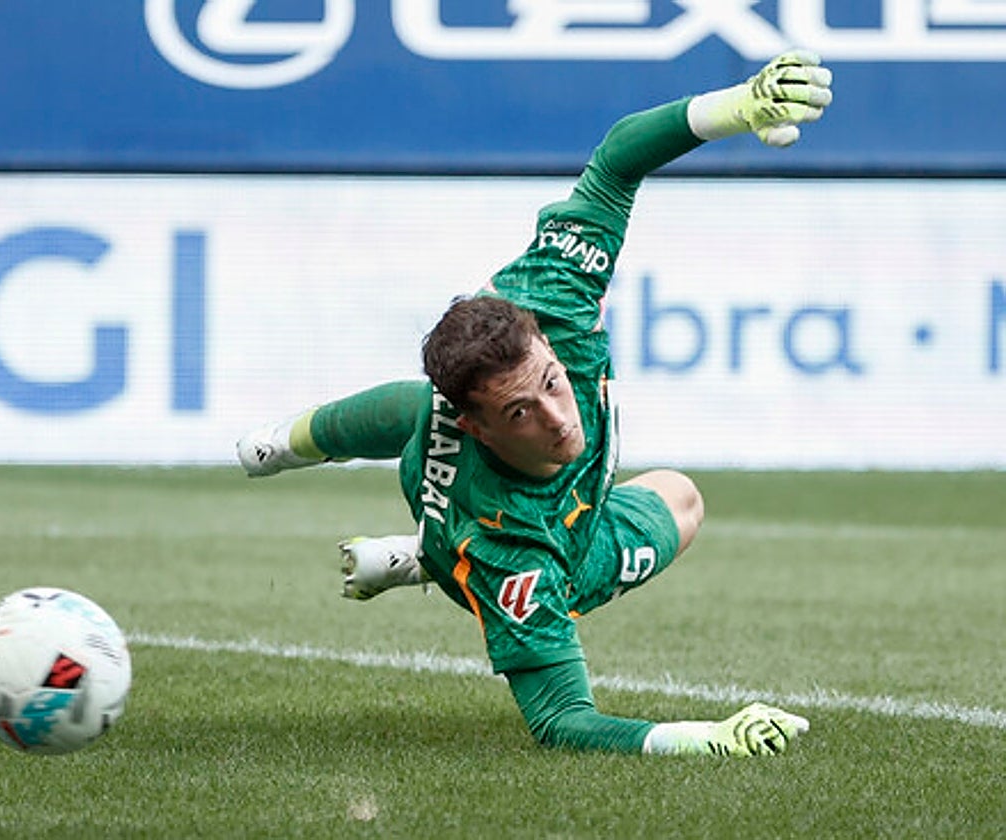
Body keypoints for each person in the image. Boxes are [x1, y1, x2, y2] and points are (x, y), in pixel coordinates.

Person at [236, 52, 833, 756]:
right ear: (477, 426)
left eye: (551, 383)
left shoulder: (550, 300)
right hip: (528, 542)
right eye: (521, 412)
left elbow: (615, 160)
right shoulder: (510, 560)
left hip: (561, 506)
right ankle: (429, 553)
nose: (558, 418)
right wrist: (709, 739)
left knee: (682, 497)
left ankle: (310, 469)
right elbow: (562, 723)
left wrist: (739, 106)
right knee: (414, 415)